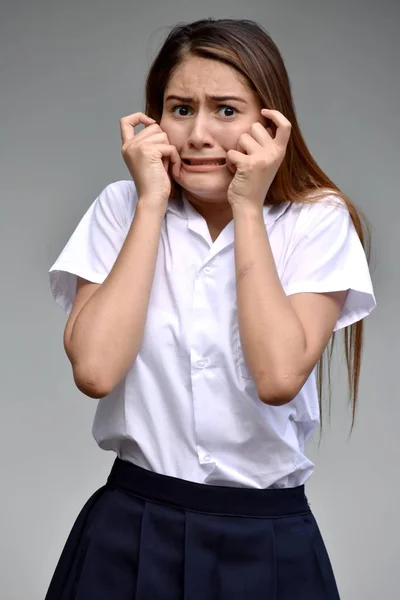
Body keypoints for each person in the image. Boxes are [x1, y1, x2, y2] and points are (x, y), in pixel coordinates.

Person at [44, 18, 376, 600]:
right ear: (154, 118)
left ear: (270, 120)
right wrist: (151, 203)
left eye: (226, 110)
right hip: (131, 528)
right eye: (180, 108)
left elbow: (278, 377)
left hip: (267, 538)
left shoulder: (317, 221)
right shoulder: (121, 206)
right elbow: (94, 370)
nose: (198, 134)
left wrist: (248, 208)